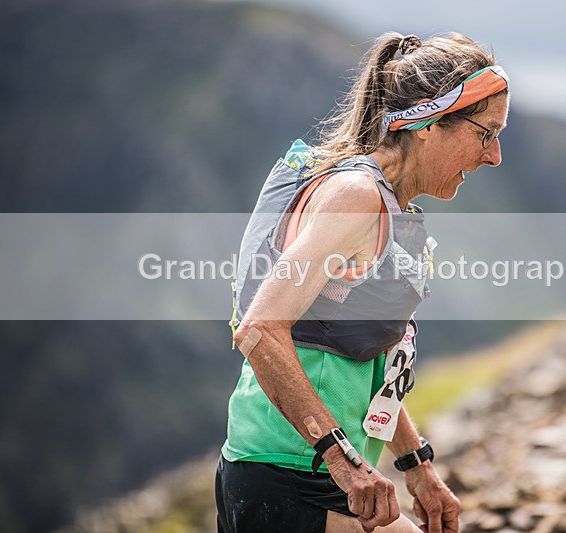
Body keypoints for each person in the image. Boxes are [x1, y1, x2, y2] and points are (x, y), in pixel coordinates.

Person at [216, 31, 510, 533]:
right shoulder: (355, 197)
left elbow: (368, 357)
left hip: (306, 469)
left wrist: (416, 464)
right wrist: (342, 460)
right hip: (291, 472)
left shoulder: (389, 204)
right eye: (486, 133)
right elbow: (260, 330)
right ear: (427, 123)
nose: (495, 155)